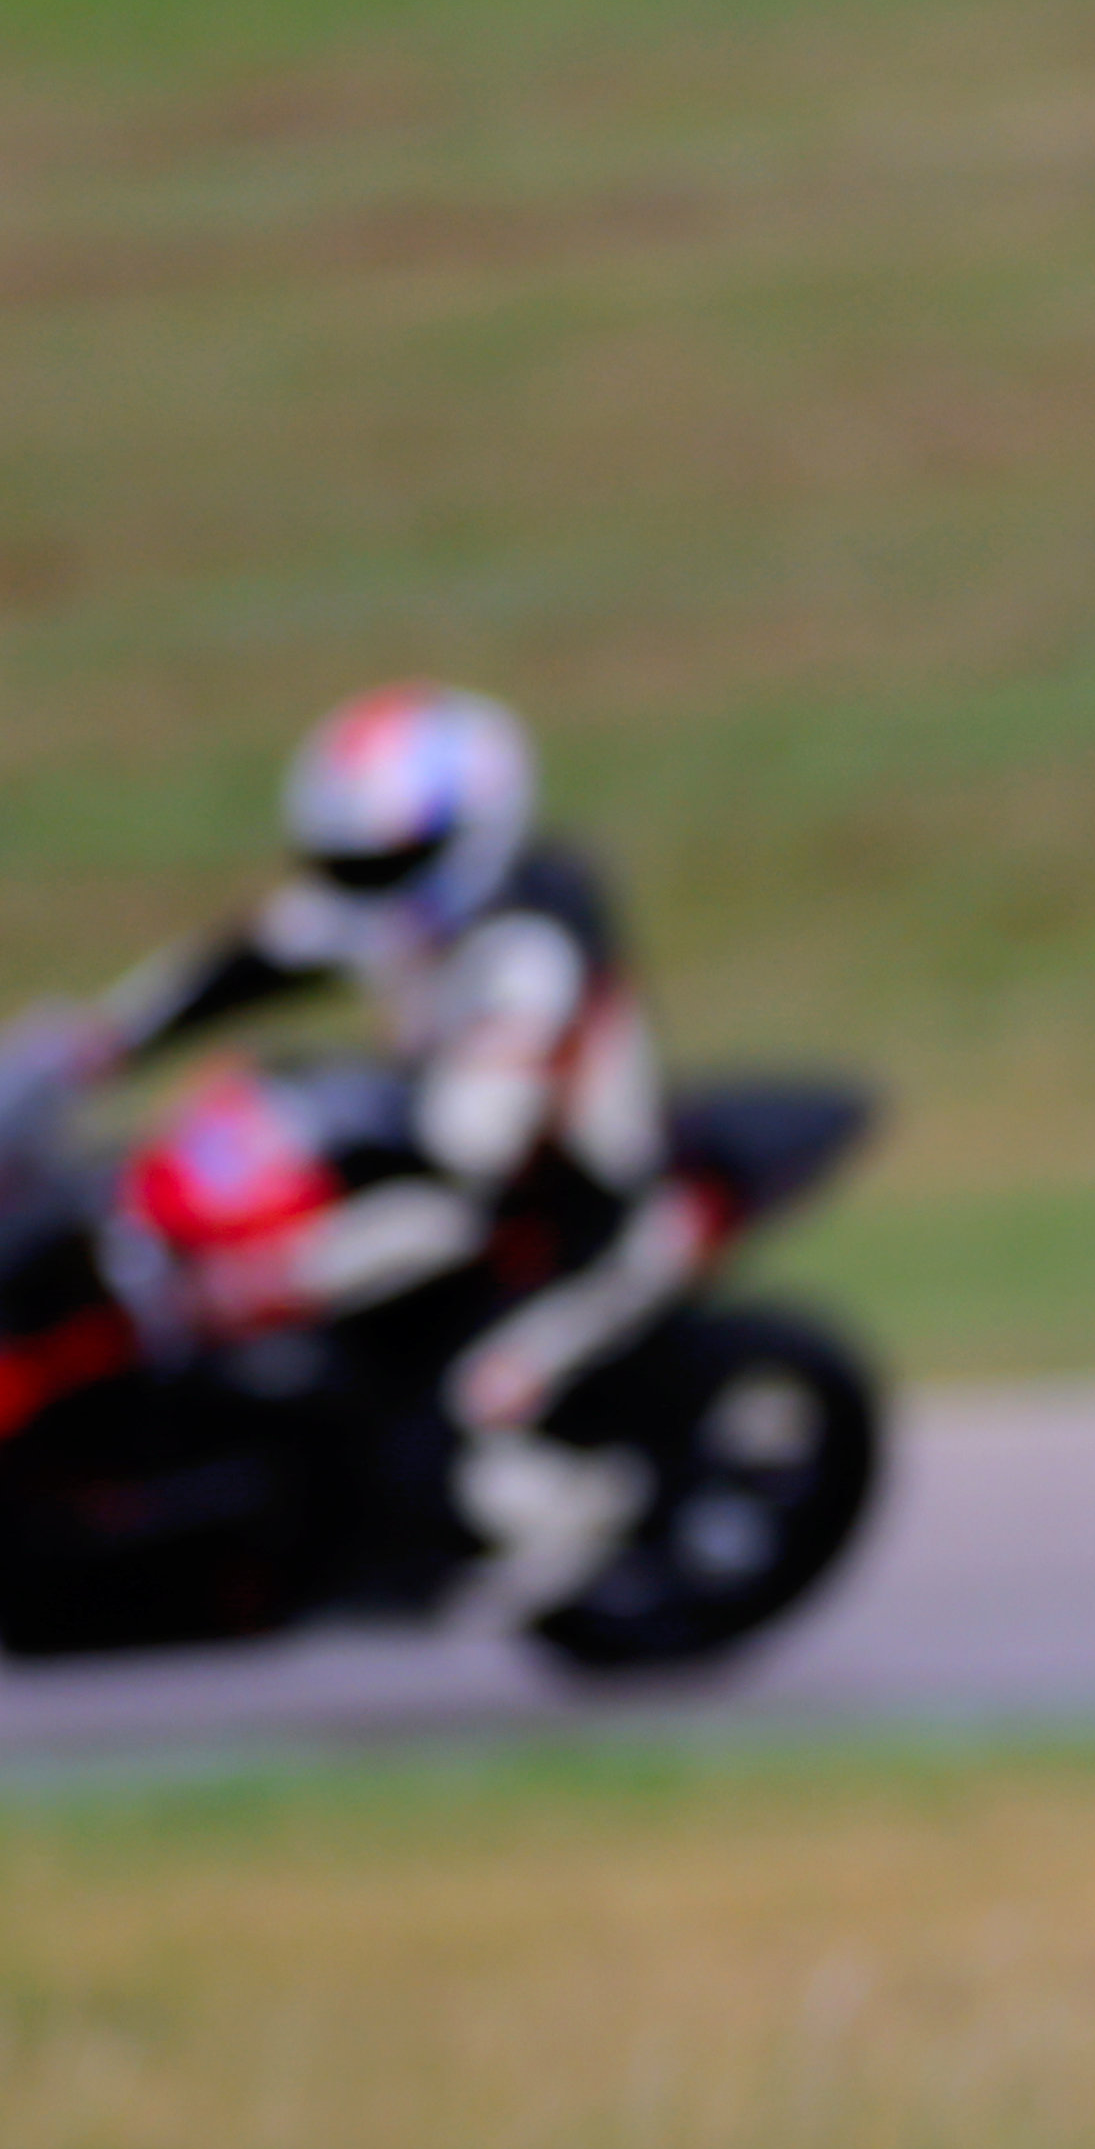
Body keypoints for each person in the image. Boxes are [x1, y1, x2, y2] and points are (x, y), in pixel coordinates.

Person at [71, 682, 697, 1608]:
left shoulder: (528, 958)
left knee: (464, 1414)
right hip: (452, 1147)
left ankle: (570, 1534)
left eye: (381, 864)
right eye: (345, 864)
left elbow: (464, 1155)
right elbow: (251, 962)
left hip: (569, 1209)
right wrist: (100, 1040)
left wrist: (280, 1248)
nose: (359, 886)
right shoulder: (394, 899)